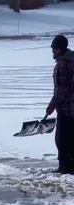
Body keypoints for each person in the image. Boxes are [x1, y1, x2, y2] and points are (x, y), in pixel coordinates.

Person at [46, 35, 74, 174]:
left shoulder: (63, 64)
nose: (53, 52)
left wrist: (52, 105)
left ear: (61, 49)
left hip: (67, 107)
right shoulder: (72, 60)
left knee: (61, 139)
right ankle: (70, 165)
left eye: (55, 49)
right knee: (71, 138)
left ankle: (65, 167)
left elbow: (62, 89)